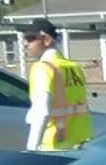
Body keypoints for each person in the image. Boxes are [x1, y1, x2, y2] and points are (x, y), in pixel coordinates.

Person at [20, 20, 94, 151]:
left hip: (54, 145)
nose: (25, 44)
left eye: (30, 38)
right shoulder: (74, 67)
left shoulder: (42, 68)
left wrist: (31, 149)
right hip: (81, 143)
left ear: (46, 40)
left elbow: (42, 112)